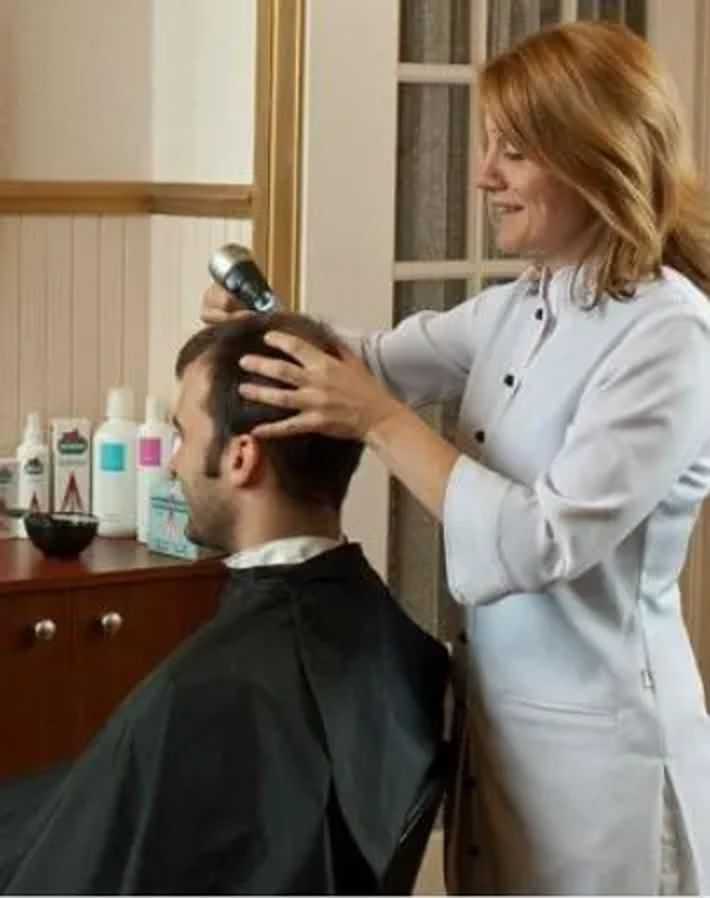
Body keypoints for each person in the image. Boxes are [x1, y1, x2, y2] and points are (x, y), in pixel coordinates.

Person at [201, 20, 710, 896]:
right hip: (502, 736)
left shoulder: (671, 335)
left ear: (593, 159)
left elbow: (539, 543)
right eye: (485, 148)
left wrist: (382, 423)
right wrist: (254, 333)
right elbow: (364, 360)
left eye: (512, 152)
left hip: (604, 766)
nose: (484, 177)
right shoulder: (523, 306)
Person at [0, 313, 449, 894]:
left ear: (241, 458)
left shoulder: (202, 693)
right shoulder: (389, 634)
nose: (172, 463)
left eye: (183, 435)